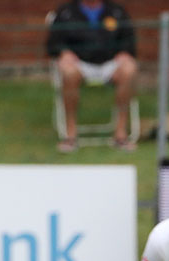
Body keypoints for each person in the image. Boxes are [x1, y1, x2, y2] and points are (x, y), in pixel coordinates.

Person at [45, 0, 138, 152]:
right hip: (79, 63)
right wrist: (64, 52)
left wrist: (124, 52)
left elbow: (129, 40)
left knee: (129, 69)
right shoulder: (66, 12)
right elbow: (53, 43)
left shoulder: (117, 11)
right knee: (67, 71)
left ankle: (120, 134)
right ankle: (70, 135)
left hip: (110, 62)